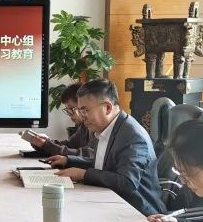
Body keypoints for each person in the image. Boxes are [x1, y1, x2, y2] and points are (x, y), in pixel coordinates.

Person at [45, 79, 164, 215]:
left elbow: (127, 182)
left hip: (138, 212)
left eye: (85, 111)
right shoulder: (108, 128)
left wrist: (83, 174)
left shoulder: (133, 137)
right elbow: (103, 165)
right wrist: (68, 160)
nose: (82, 117)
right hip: (112, 201)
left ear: (107, 108)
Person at [28, 83, 93, 157]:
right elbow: (68, 145)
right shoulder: (83, 127)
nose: (70, 114)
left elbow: (87, 155)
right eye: (67, 110)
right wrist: (43, 143)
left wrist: (46, 145)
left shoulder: (96, 127)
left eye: (70, 109)